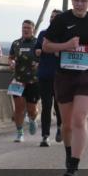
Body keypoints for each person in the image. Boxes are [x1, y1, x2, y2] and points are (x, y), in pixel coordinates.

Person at [41, 0, 88, 176]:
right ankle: (69, 154)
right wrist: (66, 46)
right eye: (76, 0)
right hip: (64, 75)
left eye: (83, 0)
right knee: (67, 124)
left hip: (87, 74)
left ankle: (74, 165)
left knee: (79, 119)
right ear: (72, 0)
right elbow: (46, 46)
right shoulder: (62, 20)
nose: (79, 3)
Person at [8, 20, 40, 143]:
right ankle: (19, 132)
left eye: (28, 28)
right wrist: (11, 63)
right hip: (18, 79)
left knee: (32, 109)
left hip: (34, 80)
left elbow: (44, 58)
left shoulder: (38, 43)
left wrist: (38, 63)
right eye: (23, 28)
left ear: (33, 29)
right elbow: (11, 57)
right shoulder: (16, 43)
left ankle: (32, 119)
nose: (25, 30)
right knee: (19, 108)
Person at [35, 9, 63, 144]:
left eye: (56, 17)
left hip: (60, 76)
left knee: (59, 106)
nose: (52, 19)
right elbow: (36, 50)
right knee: (46, 106)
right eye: (51, 17)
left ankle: (60, 127)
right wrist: (38, 51)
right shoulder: (43, 34)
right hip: (44, 75)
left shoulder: (65, 36)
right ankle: (45, 136)